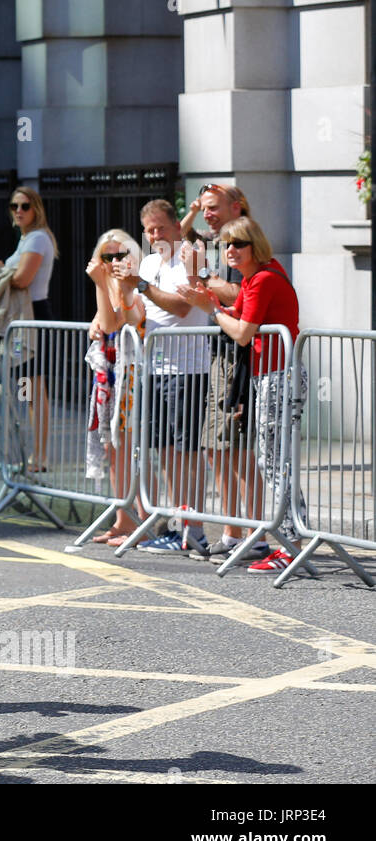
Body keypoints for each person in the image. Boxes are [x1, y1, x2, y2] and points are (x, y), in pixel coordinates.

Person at [179, 216, 303, 575]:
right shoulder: (255, 278)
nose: (230, 250)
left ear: (255, 246)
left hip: (279, 376)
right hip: (270, 376)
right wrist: (213, 305)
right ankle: (293, 540)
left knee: (275, 464)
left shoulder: (263, 278)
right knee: (273, 462)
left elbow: (244, 333)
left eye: (238, 244)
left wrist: (212, 310)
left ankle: (291, 544)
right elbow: (243, 315)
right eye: (226, 245)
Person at [112, 199, 212, 555]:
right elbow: (138, 313)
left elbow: (184, 307)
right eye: (150, 230)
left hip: (188, 367)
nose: (155, 235)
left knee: (186, 452)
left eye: (161, 228)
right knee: (165, 451)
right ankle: (175, 524)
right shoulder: (151, 262)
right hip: (154, 367)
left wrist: (140, 284)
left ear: (176, 226)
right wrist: (125, 287)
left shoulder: (192, 254)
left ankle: (195, 528)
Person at [183, 184, 266, 562]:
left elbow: (243, 295)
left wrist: (208, 288)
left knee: (239, 448)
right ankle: (233, 533)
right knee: (217, 448)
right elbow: (181, 235)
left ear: (237, 207)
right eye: (203, 208)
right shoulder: (212, 243)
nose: (207, 214)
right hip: (220, 352)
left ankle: (255, 535)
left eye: (213, 208)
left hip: (242, 356)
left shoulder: (248, 243)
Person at [0, 187, 57, 470]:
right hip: (23, 319)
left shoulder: (37, 238)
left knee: (34, 389)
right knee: (29, 388)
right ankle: (34, 454)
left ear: (36, 209)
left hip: (31, 317)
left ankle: (40, 456)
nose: (19, 211)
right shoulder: (26, 239)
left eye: (24, 206)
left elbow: (22, 279)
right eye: (14, 206)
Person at [85, 229, 146, 546]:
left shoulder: (132, 284)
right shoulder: (109, 284)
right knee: (112, 447)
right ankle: (123, 520)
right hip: (109, 375)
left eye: (119, 255)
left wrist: (99, 285)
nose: (112, 262)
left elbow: (111, 324)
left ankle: (141, 520)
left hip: (130, 373)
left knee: (129, 447)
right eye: (106, 256)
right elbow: (101, 323)